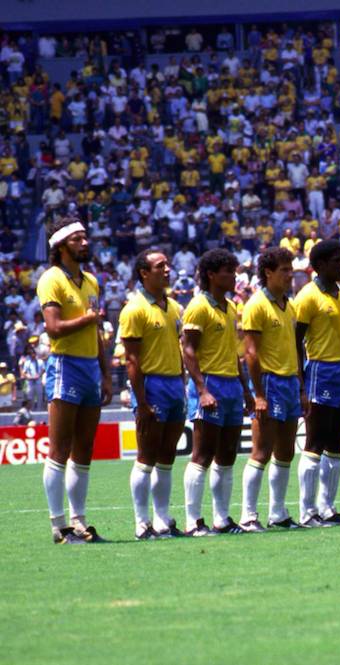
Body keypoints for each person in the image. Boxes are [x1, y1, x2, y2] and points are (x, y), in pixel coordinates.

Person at [38, 216, 112, 544]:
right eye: (77, 238)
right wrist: (87, 319)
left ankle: (79, 521)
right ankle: (58, 524)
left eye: (85, 237)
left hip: (90, 369)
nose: (85, 243)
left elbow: (95, 331)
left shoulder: (91, 282)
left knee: (84, 449)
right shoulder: (51, 279)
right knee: (59, 448)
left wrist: (107, 373)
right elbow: (53, 328)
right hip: (66, 365)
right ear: (61, 245)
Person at [182, 248, 253, 536]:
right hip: (210, 383)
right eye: (228, 271)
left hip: (232, 386)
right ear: (212, 275)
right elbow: (187, 350)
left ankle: (222, 519)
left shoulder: (230, 307)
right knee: (202, 454)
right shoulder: (199, 306)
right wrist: (201, 389)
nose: (233, 276)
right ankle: (193, 522)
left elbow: (234, 355)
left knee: (227, 455)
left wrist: (246, 391)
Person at [118, 249, 186, 539]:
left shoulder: (174, 308)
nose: (167, 269)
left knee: (167, 456)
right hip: (152, 386)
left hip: (174, 385)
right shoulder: (134, 309)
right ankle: (141, 522)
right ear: (144, 274)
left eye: (167, 264)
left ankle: (162, 519)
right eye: (160, 266)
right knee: (146, 456)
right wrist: (141, 401)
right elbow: (132, 361)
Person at [240, 246, 306, 530]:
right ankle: (248, 515)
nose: (290, 275)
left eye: (291, 269)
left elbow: (295, 348)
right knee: (262, 451)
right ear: (268, 273)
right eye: (285, 270)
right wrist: (259, 395)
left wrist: (301, 386)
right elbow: (250, 354)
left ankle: (277, 512)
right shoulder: (256, 305)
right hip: (270, 382)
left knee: (286, 451)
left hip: (290, 381)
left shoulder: (288, 305)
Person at [294, 239, 340, 526]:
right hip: (321, 370)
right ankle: (307, 512)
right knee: (315, 441)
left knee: (337, 442)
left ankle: (327, 507)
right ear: (319, 265)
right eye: (337, 261)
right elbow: (295, 340)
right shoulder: (307, 296)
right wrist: (301, 383)